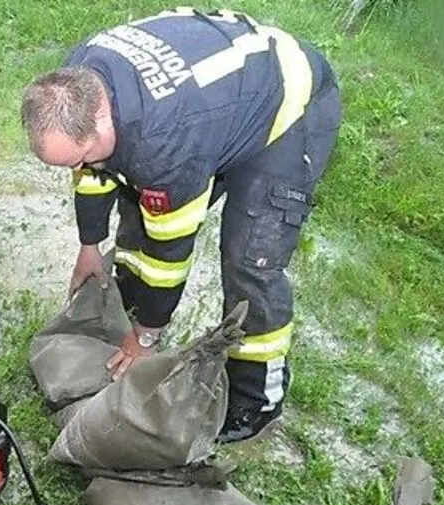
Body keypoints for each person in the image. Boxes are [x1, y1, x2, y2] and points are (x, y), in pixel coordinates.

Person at [21, 7, 342, 444]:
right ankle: (130, 310)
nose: (80, 169)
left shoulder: (164, 145)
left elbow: (171, 251)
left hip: (285, 106)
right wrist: (90, 243)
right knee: (138, 212)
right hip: (217, 102)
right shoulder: (81, 77)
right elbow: (96, 172)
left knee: (251, 262)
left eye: (80, 157)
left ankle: (255, 401)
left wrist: (148, 338)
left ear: (101, 116)